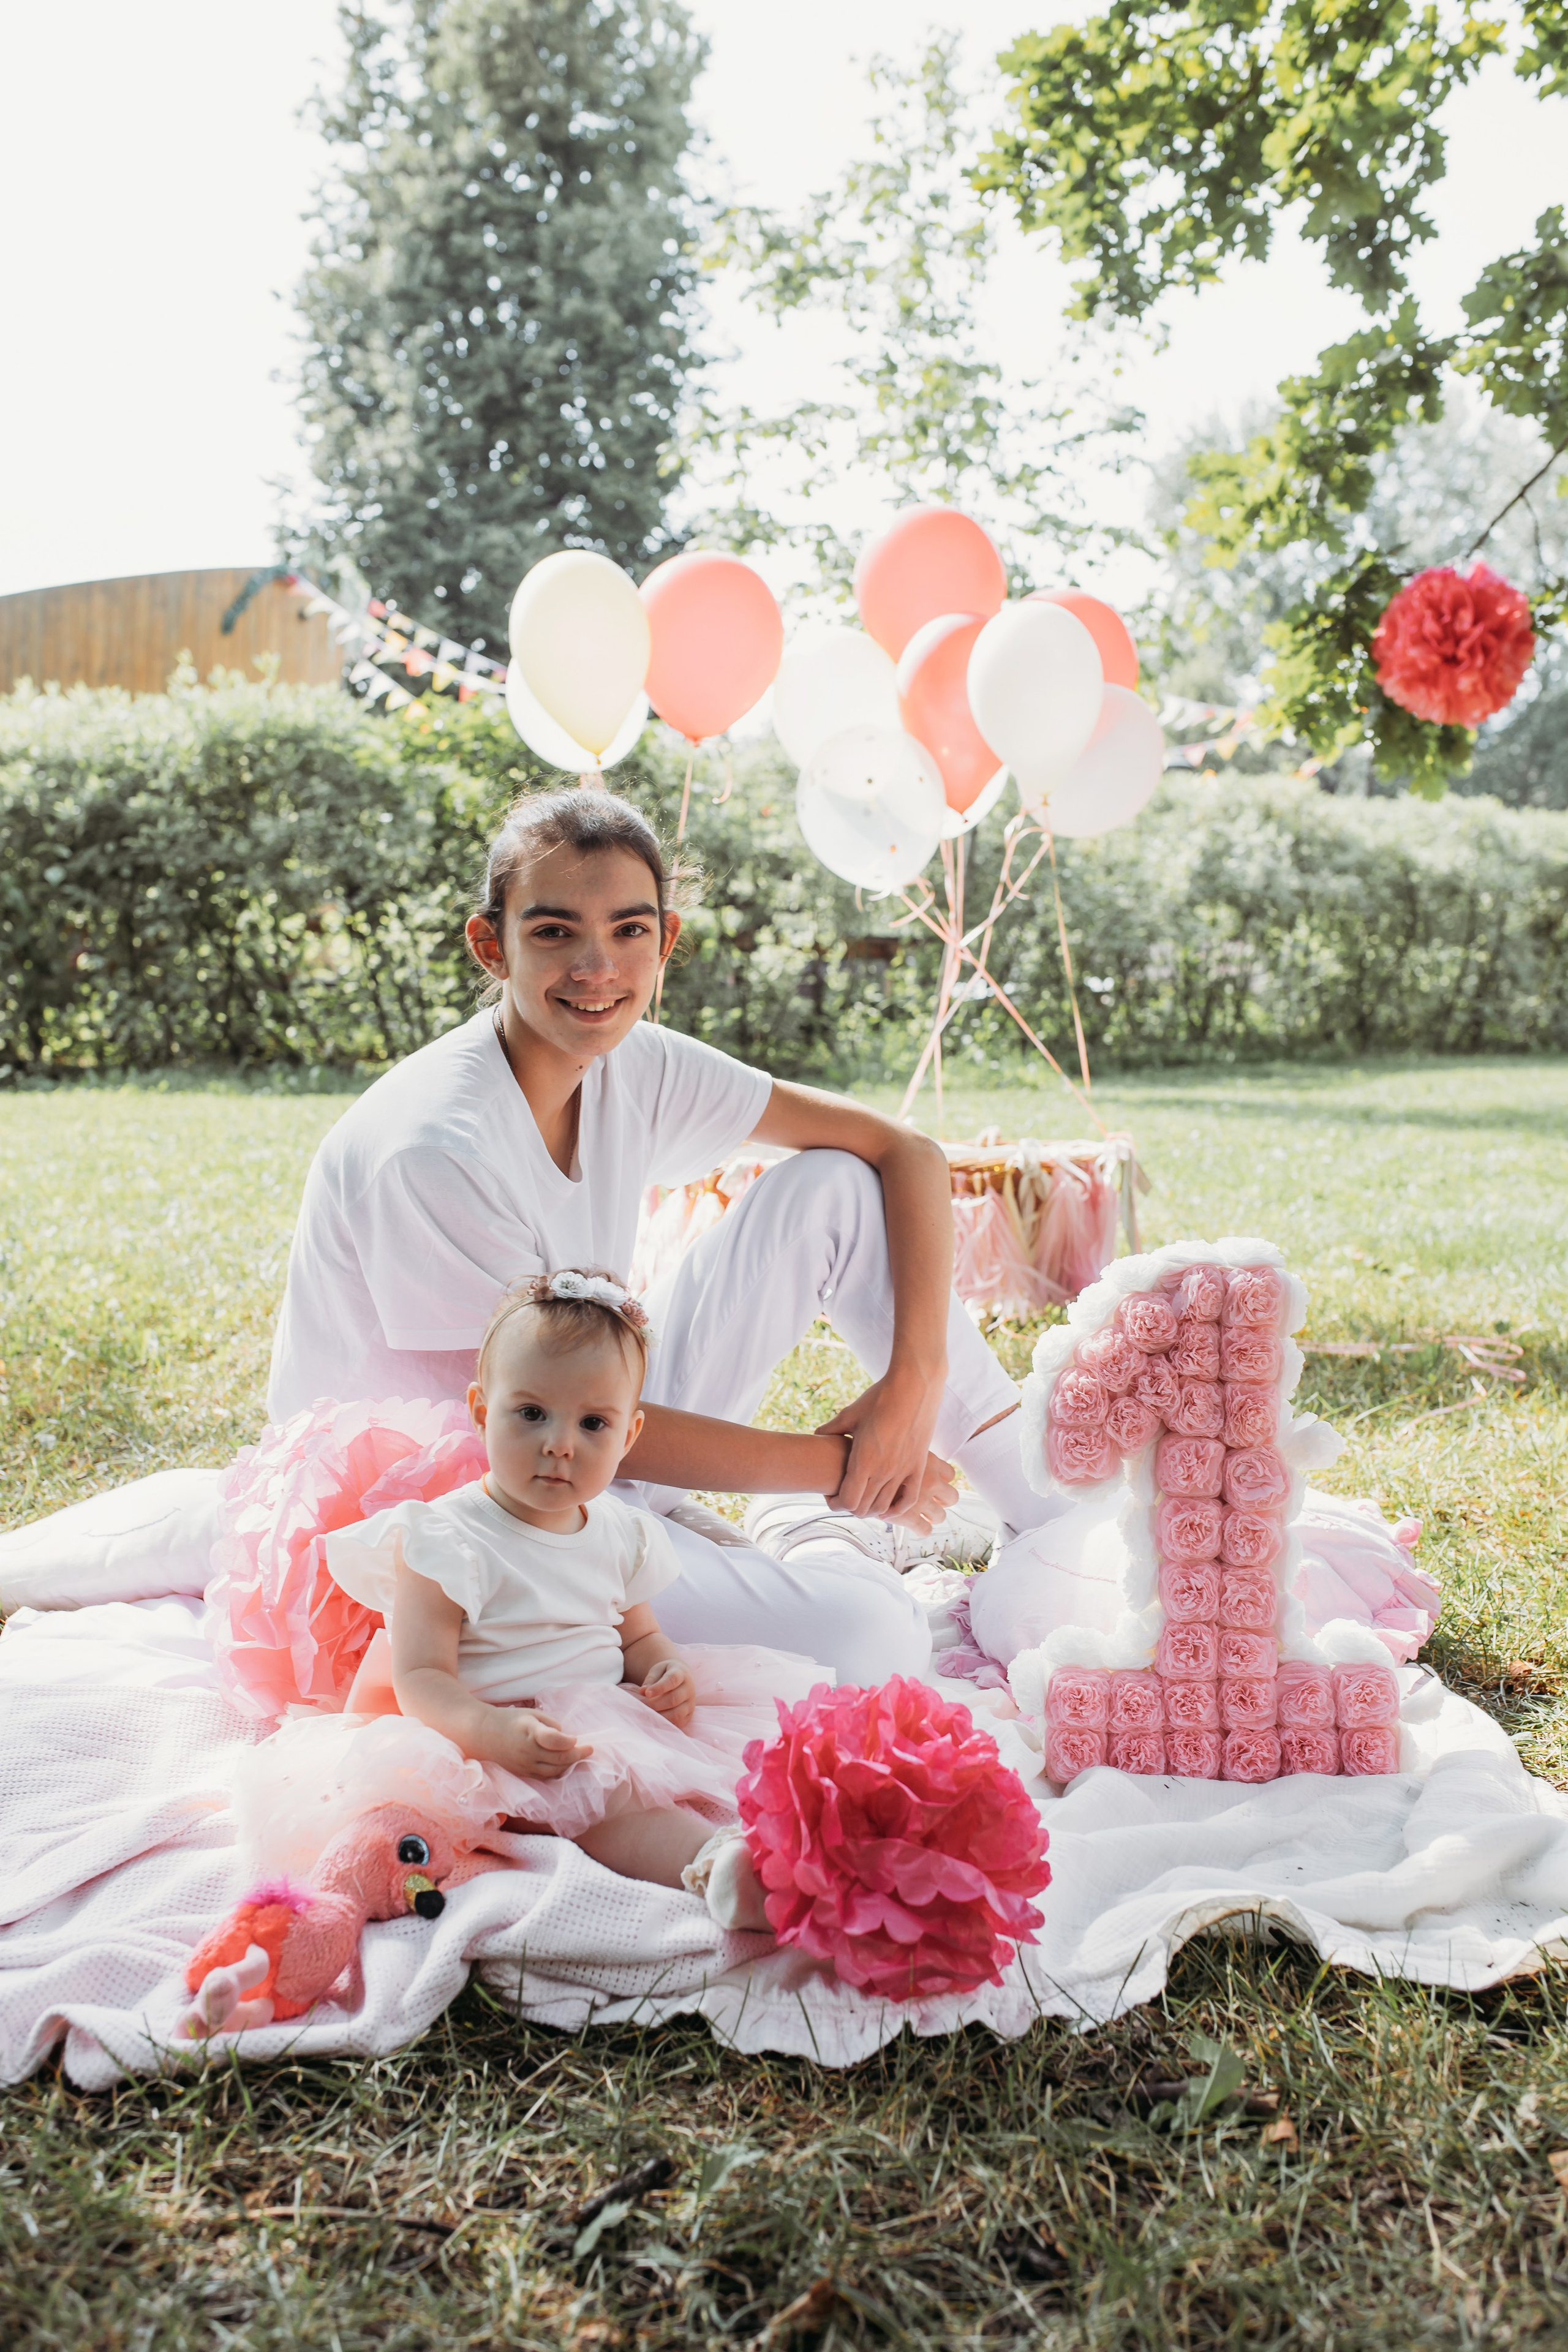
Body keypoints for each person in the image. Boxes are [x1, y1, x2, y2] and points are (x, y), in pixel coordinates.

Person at [268, 786, 1058, 1685]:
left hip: (596, 1443)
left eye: (629, 930)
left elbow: (902, 1150)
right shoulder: (435, 1151)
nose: (598, 967)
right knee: (876, 1643)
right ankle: (817, 1538)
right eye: (555, 932)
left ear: (666, 940)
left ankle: (1045, 1513)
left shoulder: (629, 1060)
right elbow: (531, 1428)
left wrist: (915, 1389)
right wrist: (850, 1469)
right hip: (472, 1531)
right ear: (492, 945)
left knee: (837, 1184)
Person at [322, 1271, 804, 1930]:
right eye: (531, 1414)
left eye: (593, 1423)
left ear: (629, 1435)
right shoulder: (445, 1538)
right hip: (481, 1735)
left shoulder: (621, 1532)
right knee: (605, 1807)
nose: (559, 1443)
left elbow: (638, 1637)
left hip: (598, 1722)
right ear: (483, 1412)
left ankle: (776, 1850)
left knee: (686, 1775)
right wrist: (489, 1731)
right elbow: (420, 1676)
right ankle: (715, 1867)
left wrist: (664, 1671)